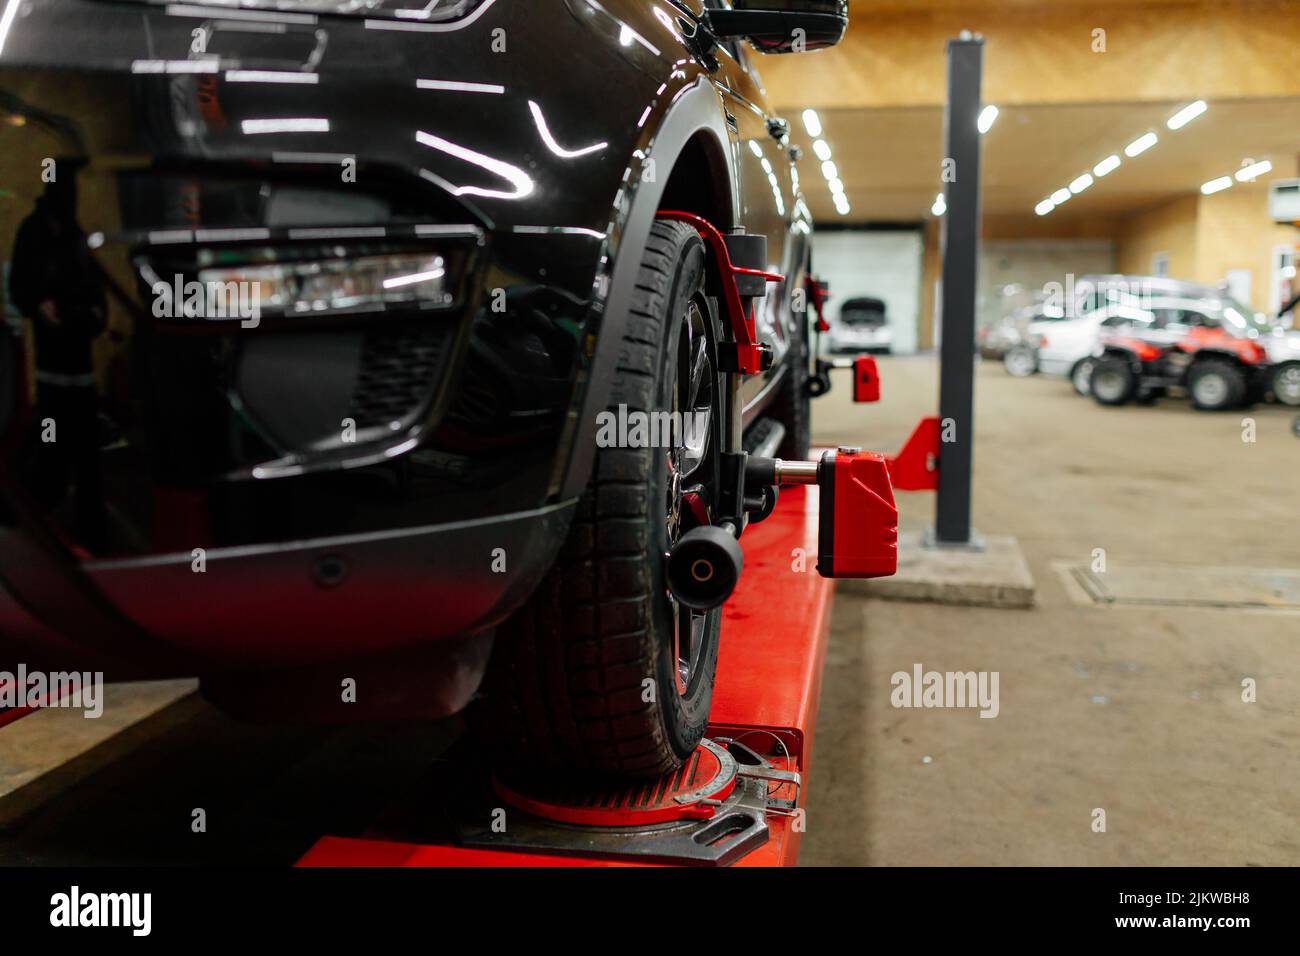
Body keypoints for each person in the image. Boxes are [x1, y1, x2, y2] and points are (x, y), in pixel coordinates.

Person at [7, 173, 108, 552]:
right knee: (53, 445)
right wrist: (39, 305)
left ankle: (86, 534)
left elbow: (97, 303)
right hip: (53, 374)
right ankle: (44, 527)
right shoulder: (36, 234)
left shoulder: (72, 235)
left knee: (83, 455)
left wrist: (80, 316)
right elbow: (21, 289)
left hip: (76, 372)